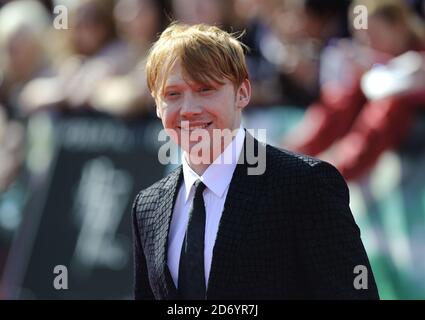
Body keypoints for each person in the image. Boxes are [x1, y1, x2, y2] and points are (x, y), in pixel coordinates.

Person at [132, 22, 379, 299]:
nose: (189, 109)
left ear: (243, 93)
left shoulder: (304, 185)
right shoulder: (148, 207)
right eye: (172, 94)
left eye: (206, 89)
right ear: (156, 104)